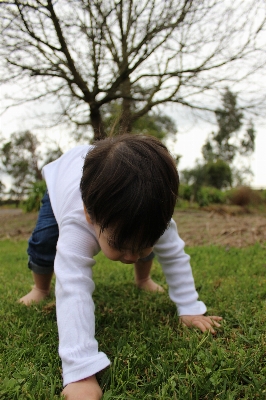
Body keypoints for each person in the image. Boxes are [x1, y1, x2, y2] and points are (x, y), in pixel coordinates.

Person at [19, 134, 222, 400]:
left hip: (112, 197)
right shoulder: (77, 222)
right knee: (44, 241)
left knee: (141, 240)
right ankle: (40, 287)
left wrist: (190, 307)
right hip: (60, 184)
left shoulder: (155, 217)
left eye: (142, 245)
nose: (129, 257)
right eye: (119, 244)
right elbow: (73, 288)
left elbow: (174, 255)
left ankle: (142, 280)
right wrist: (80, 372)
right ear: (90, 216)